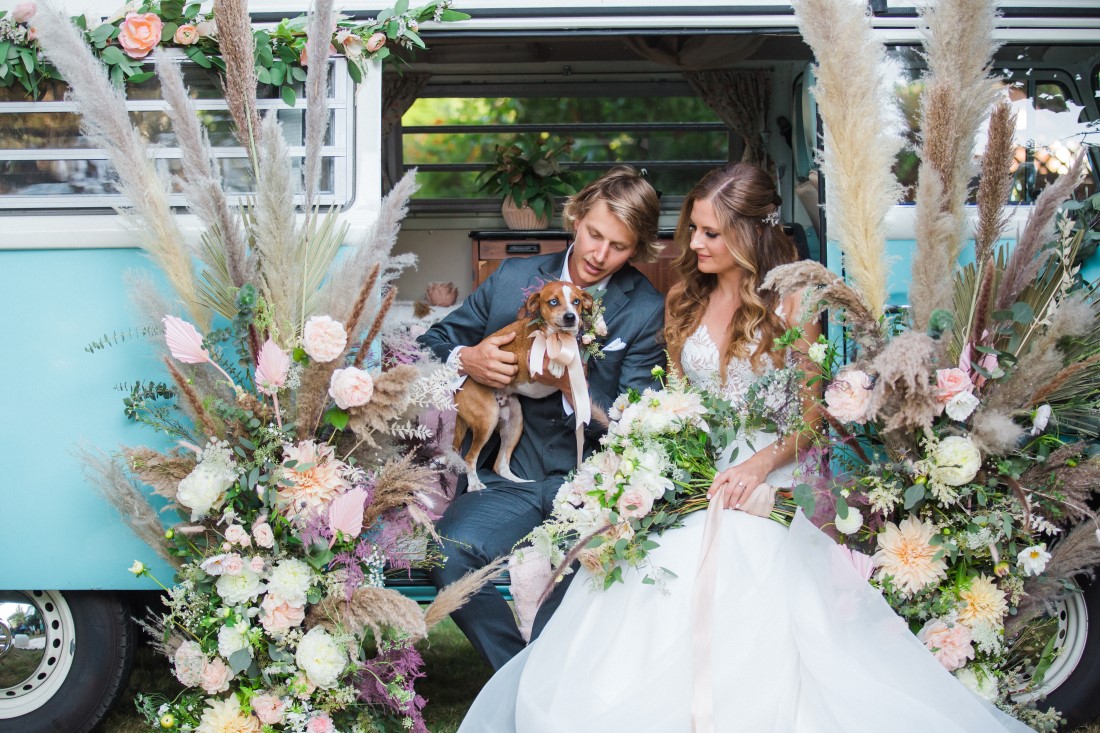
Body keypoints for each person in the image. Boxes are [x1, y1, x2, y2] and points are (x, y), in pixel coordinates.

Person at [457, 163, 1034, 733]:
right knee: (641, 571)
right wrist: (659, 457)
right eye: (695, 229)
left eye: (712, 232)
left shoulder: (795, 301)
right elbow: (673, 399)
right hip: (691, 474)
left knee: (736, 569)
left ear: (750, 232)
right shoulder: (684, 295)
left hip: (763, 476)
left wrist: (755, 467)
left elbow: (813, 413)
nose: (697, 243)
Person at [418, 166, 667, 670]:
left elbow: (636, 422)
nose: (599, 254)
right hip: (510, 479)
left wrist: (571, 390)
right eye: (594, 234)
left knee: (589, 573)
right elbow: (428, 345)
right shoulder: (512, 280)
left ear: (636, 248)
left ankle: (553, 679)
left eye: (618, 246)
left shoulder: (643, 309)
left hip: (593, 486)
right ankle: (516, 676)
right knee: (446, 553)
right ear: (576, 218)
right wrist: (468, 359)